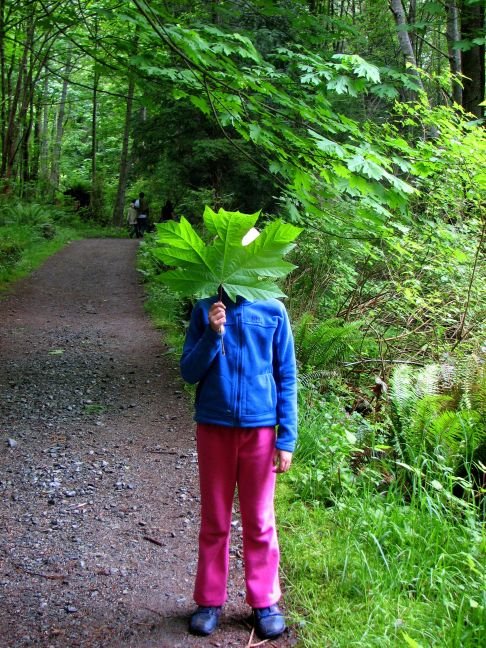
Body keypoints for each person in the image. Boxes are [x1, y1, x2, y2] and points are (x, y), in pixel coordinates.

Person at [180, 290, 297, 640]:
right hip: (214, 426)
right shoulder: (205, 308)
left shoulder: (274, 310)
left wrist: (286, 437)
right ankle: (209, 600)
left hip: (260, 431)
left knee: (260, 519)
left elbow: (286, 375)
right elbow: (189, 371)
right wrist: (213, 334)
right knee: (215, 518)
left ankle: (264, 601)